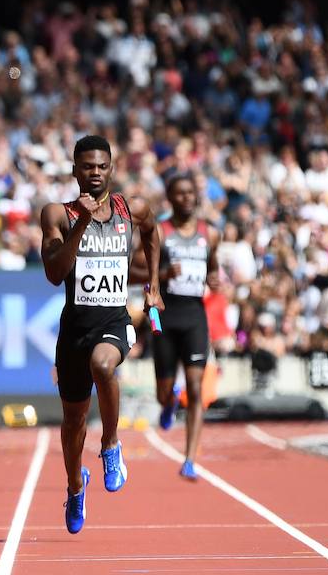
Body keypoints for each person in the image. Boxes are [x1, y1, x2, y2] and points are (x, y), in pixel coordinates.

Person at [40, 135, 163, 534]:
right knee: (73, 420)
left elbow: (153, 232)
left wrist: (154, 285)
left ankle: (111, 444)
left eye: (101, 166)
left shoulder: (131, 208)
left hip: (114, 321)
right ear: (75, 170)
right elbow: (55, 272)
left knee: (103, 364)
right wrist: (85, 224)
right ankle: (76, 486)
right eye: (87, 167)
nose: (95, 173)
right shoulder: (57, 214)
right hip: (74, 328)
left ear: (111, 168)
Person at [151, 174, 220, 480]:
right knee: (163, 392)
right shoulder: (161, 232)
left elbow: (214, 268)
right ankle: (168, 402)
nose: (187, 198)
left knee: (196, 388)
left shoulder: (210, 233)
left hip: (194, 317)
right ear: (170, 198)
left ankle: (189, 458)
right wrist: (164, 275)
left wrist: (214, 279)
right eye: (180, 194)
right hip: (166, 316)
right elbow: (141, 269)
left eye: (191, 193)